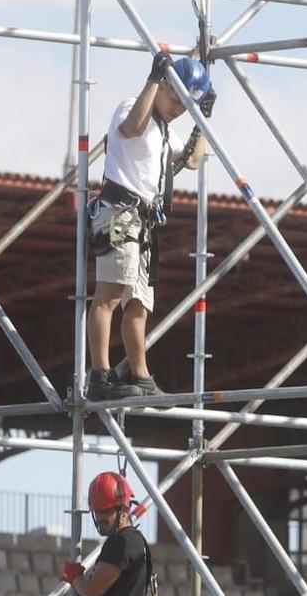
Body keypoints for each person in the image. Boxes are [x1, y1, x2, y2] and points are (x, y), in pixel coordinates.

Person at [80, 50, 214, 401]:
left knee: (138, 302)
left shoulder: (165, 132)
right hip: (120, 214)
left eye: (183, 105)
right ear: (164, 87)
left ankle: (140, 374)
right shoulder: (132, 108)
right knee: (108, 295)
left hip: (141, 224)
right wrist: (154, 80)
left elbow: (194, 160)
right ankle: (100, 374)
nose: (177, 108)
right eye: (176, 98)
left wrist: (201, 116)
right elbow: (131, 128)